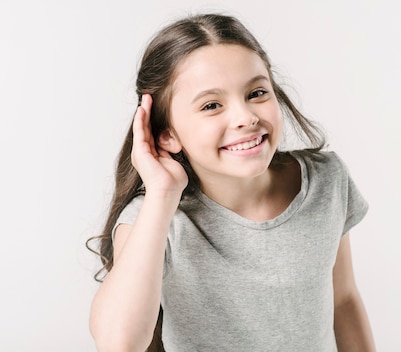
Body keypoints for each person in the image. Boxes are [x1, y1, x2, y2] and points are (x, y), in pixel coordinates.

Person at [87, 13, 375, 352]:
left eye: (256, 92)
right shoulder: (151, 219)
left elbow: (343, 301)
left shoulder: (327, 181)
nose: (245, 117)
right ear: (166, 134)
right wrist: (162, 195)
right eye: (211, 105)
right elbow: (118, 343)